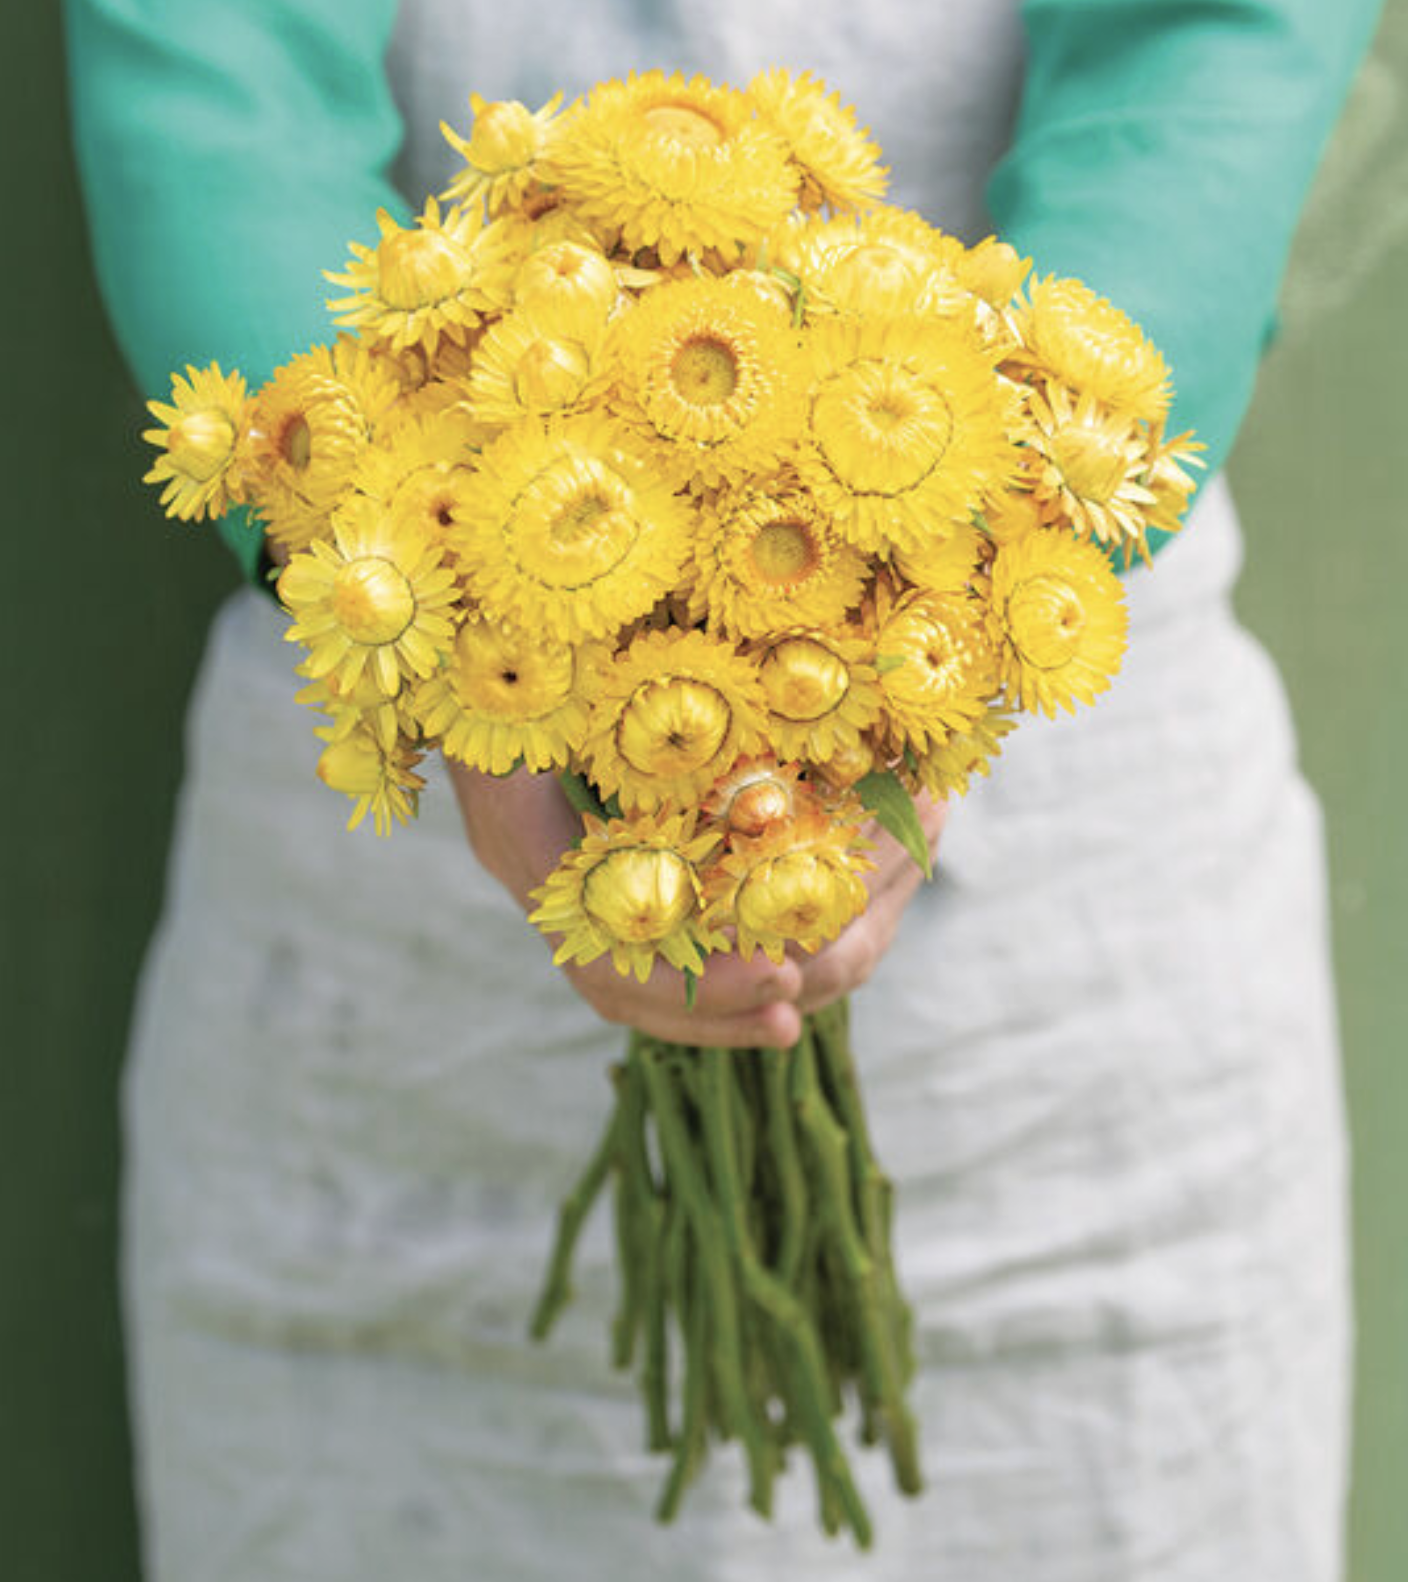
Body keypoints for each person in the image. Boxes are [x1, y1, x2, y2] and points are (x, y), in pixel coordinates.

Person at [65, 0, 1381, 1577]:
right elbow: (215, 74)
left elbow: (1218, 35)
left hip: (1065, 978)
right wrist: (425, 608)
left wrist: (960, 592)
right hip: (385, 953)